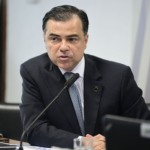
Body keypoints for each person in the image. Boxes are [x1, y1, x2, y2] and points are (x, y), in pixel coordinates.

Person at [20, 5, 150, 150]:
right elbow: (34, 130)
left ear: (85, 40)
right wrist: (84, 144)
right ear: (45, 40)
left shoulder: (118, 76)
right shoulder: (33, 72)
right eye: (55, 39)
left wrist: (113, 143)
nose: (63, 47)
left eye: (72, 39)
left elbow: (144, 129)